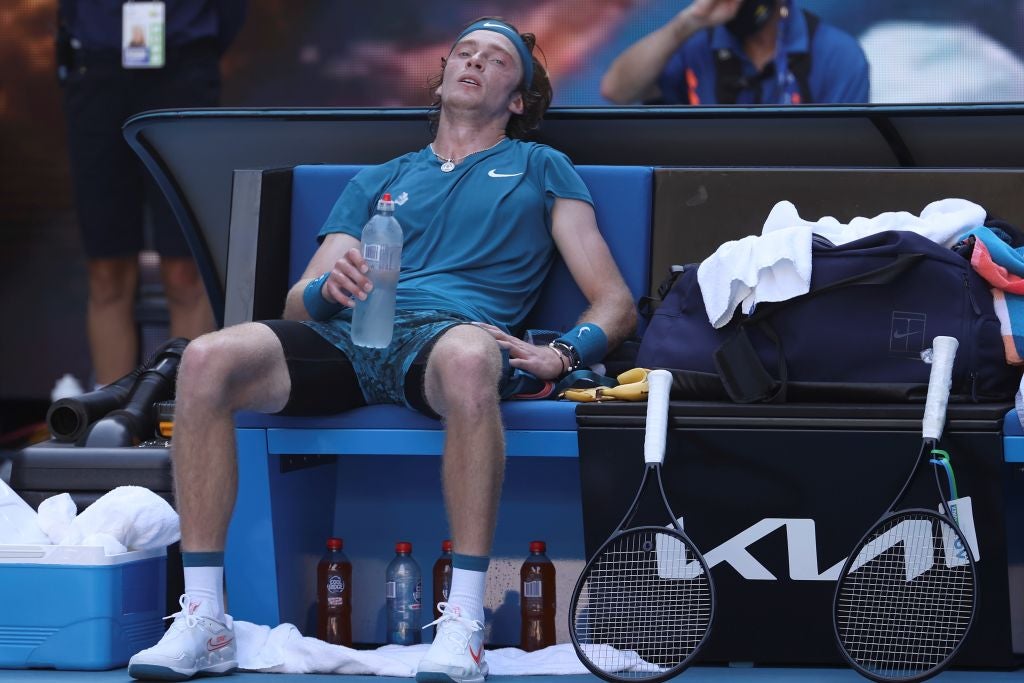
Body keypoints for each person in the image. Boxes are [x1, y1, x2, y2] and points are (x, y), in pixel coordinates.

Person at [126, 16, 637, 682]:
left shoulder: (542, 167)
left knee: (471, 357)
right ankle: (205, 617)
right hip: (352, 336)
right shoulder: (379, 180)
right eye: (465, 53)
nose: (475, 63)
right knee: (203, 359)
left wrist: (563, 354)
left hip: (450, 338)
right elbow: (296, 306)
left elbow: (616, 304)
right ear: (444, 72)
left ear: (519, 100)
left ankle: (463, 623)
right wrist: (329, 292)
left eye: (497, 60)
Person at [59, 0, 246, 386]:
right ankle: (114, 424)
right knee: (107, 270)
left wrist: (198, 50)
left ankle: (184, 421)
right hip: (97, 67)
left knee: (185, 271)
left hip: (182, 68)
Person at [600, 0, 869, 105]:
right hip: (703, 196)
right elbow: (616, 91)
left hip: (803, 208)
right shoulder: (694, 45)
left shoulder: (838, 54)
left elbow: (845, 165)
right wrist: (688, 23)